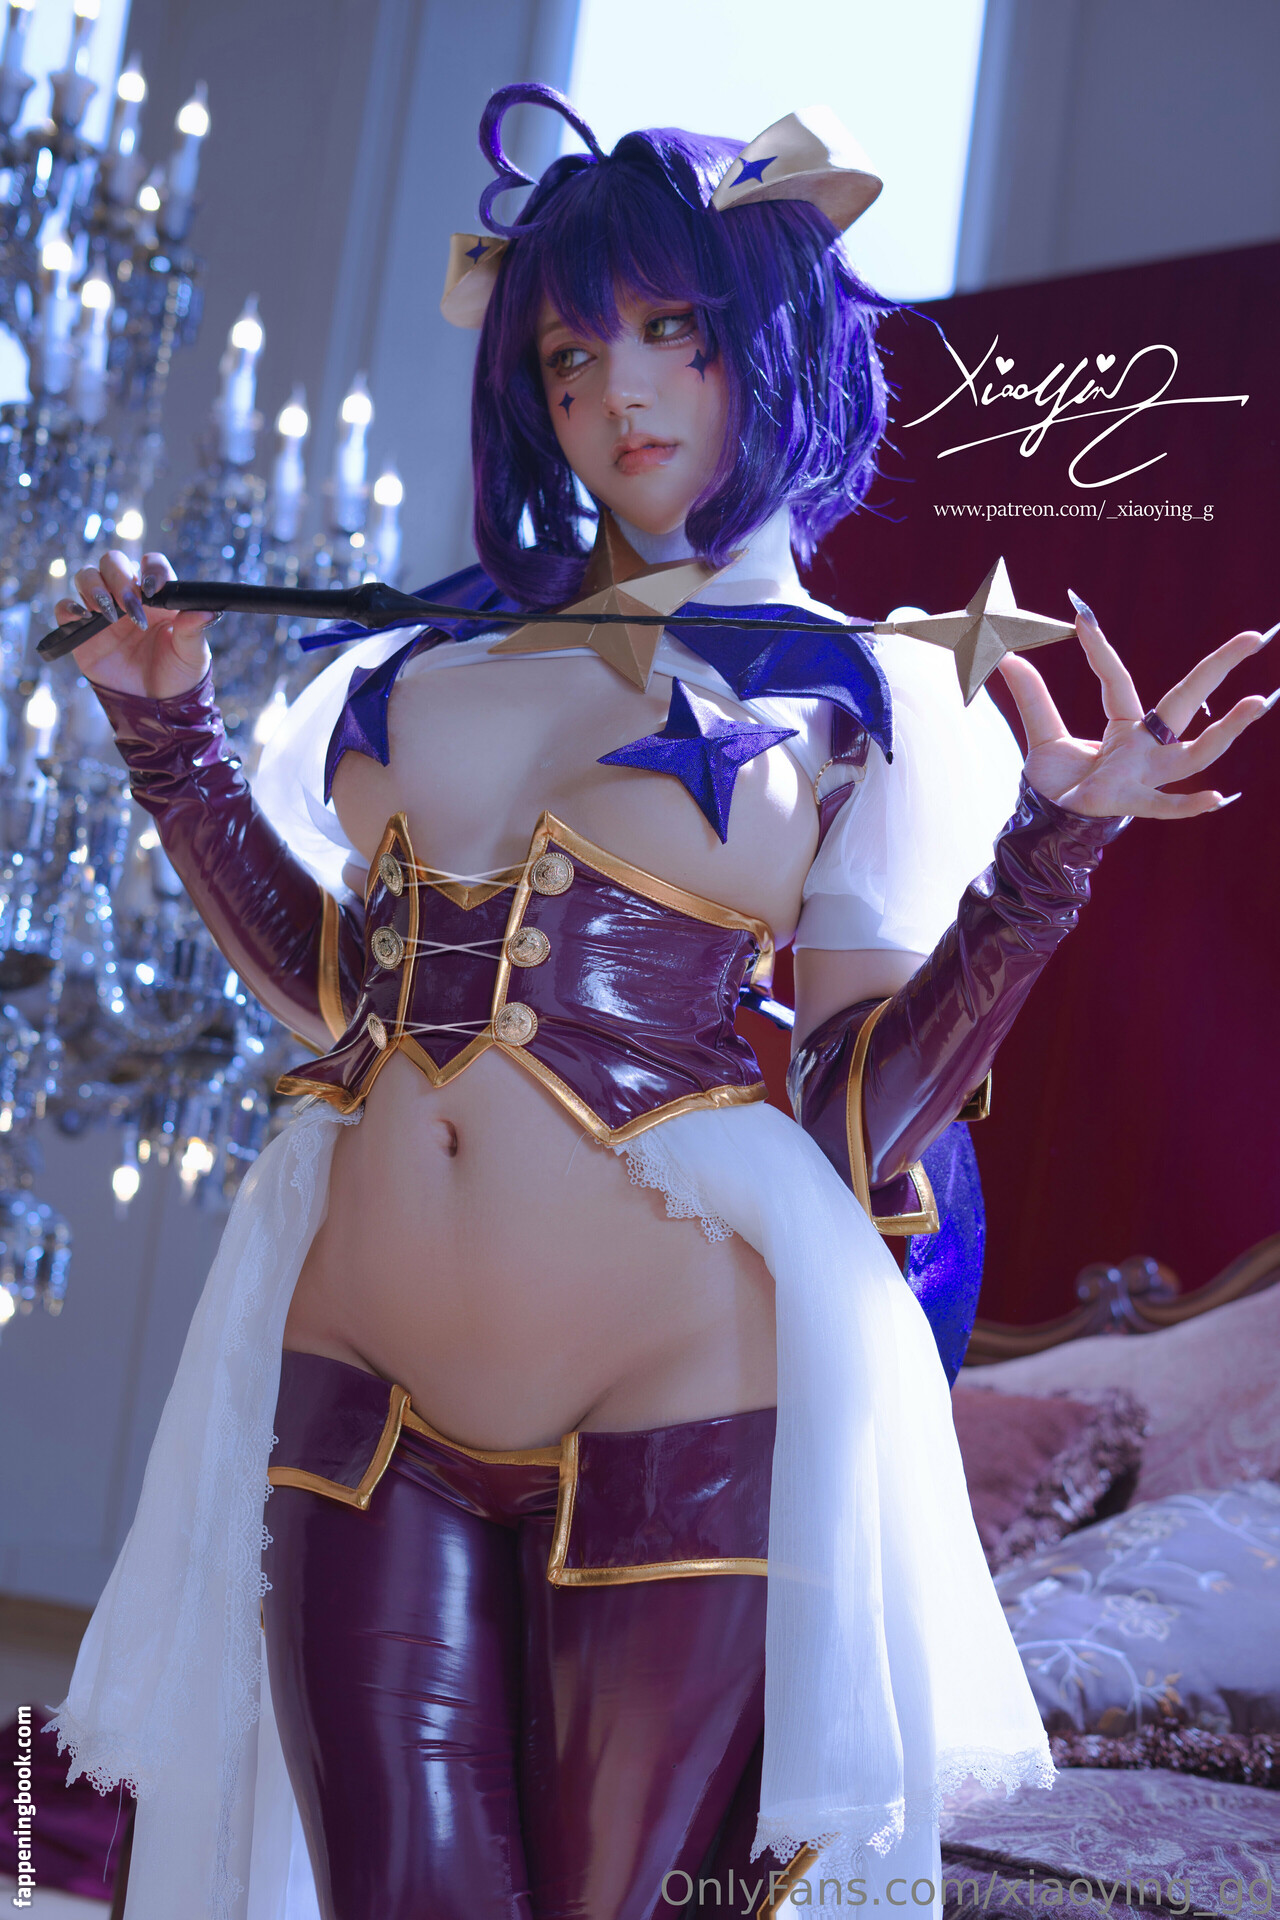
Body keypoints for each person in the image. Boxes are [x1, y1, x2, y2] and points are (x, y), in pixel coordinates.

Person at [49, 85, 1269, 1920]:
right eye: (569, 354)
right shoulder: (417, 664)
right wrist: (169, 742)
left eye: (671, 331)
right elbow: (342, 998)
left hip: (680, 1409)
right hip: (361, 1390)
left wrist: (1050, 858)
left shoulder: (865, 697)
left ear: (765, 337)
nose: (619, 391)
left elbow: (852, 1116)